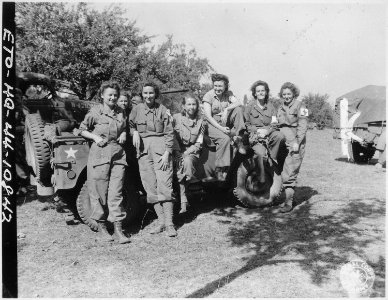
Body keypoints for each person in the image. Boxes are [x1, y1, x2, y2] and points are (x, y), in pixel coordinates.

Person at [74, 81, 130, 244]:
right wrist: (95, 137)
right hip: (99, 155)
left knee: (116, 192)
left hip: (118, 154)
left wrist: (125, 133)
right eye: (109, 95)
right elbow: (80, 129)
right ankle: (102, 229)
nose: (113, 97)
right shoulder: (95, 111)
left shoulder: (121, 111)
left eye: (115, 95)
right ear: (102, 96)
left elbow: (124, 126)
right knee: (98, 192)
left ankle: (119, 230)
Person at [128, 82, 177, 237]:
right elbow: (130, 125)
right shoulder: (136, 110)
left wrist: (167, 152)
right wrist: (134, 132)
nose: (148, 96)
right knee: (150, 186)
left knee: (165, 184)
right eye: (145, 93)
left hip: (160, 148)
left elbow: (169, 132)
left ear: (156, 94)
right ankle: (161, 222)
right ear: (142, 94)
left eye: (151, 93)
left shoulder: (162, 110)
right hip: (143, 150)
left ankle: (170, 224)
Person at [272, 82, 308, 213]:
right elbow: (276, 123)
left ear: (294, 94)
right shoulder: (280, 107)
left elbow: (303, 125)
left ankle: (288, 203)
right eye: (284, 94)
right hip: (283, 141)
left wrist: (297, 142)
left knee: (290, 172)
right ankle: (285, 199)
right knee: (283, 169)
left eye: (289, 94)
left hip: (294, 142)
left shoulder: (301, 106)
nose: (286, 96)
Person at [202, 73, 245, 180]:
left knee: (238, 110)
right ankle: (220, 168)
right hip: (212, 124)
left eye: (220, 86)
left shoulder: (228, 94)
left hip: (225, 120)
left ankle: (240, 138)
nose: (217, 88)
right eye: (215, 85)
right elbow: (208, 117)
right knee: (224, 138)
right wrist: (221, 128)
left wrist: (227, 109)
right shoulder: (208, 96)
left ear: (225, 86)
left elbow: (239, 103)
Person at [172, 93, 205, 214]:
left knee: (186, 163)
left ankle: (183, 201)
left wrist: (186, 152)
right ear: (184, 106)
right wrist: (176, 151)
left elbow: (198, 143)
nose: (191, 107)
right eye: (189, 104)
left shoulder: (201, 122)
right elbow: (170, 135)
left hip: (191, 152)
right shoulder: (176, 118)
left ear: (197, 106)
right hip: (175, 149)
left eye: (194, 104)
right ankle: (178, 200)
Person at [244, 80, 286, 168]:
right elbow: (246, 124)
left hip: (268, 133)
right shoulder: (249, 107)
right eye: (258, 91)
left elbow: (274, 124)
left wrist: (267, 132)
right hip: (255, 135)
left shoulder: (271, 107)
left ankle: (272, 157)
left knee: (280, 136)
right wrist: (258, 130)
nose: (260, 93)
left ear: (266, 92)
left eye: (262, 91)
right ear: (255, 94)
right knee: (260, 154)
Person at [118, 92, 146, 196]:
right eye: (121, 101)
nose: (124, 103)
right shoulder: (116, 112)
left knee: (136, 167)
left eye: (126, 101)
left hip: (132, 146)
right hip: (120, 146)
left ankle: (140, 190)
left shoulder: (133, 112)